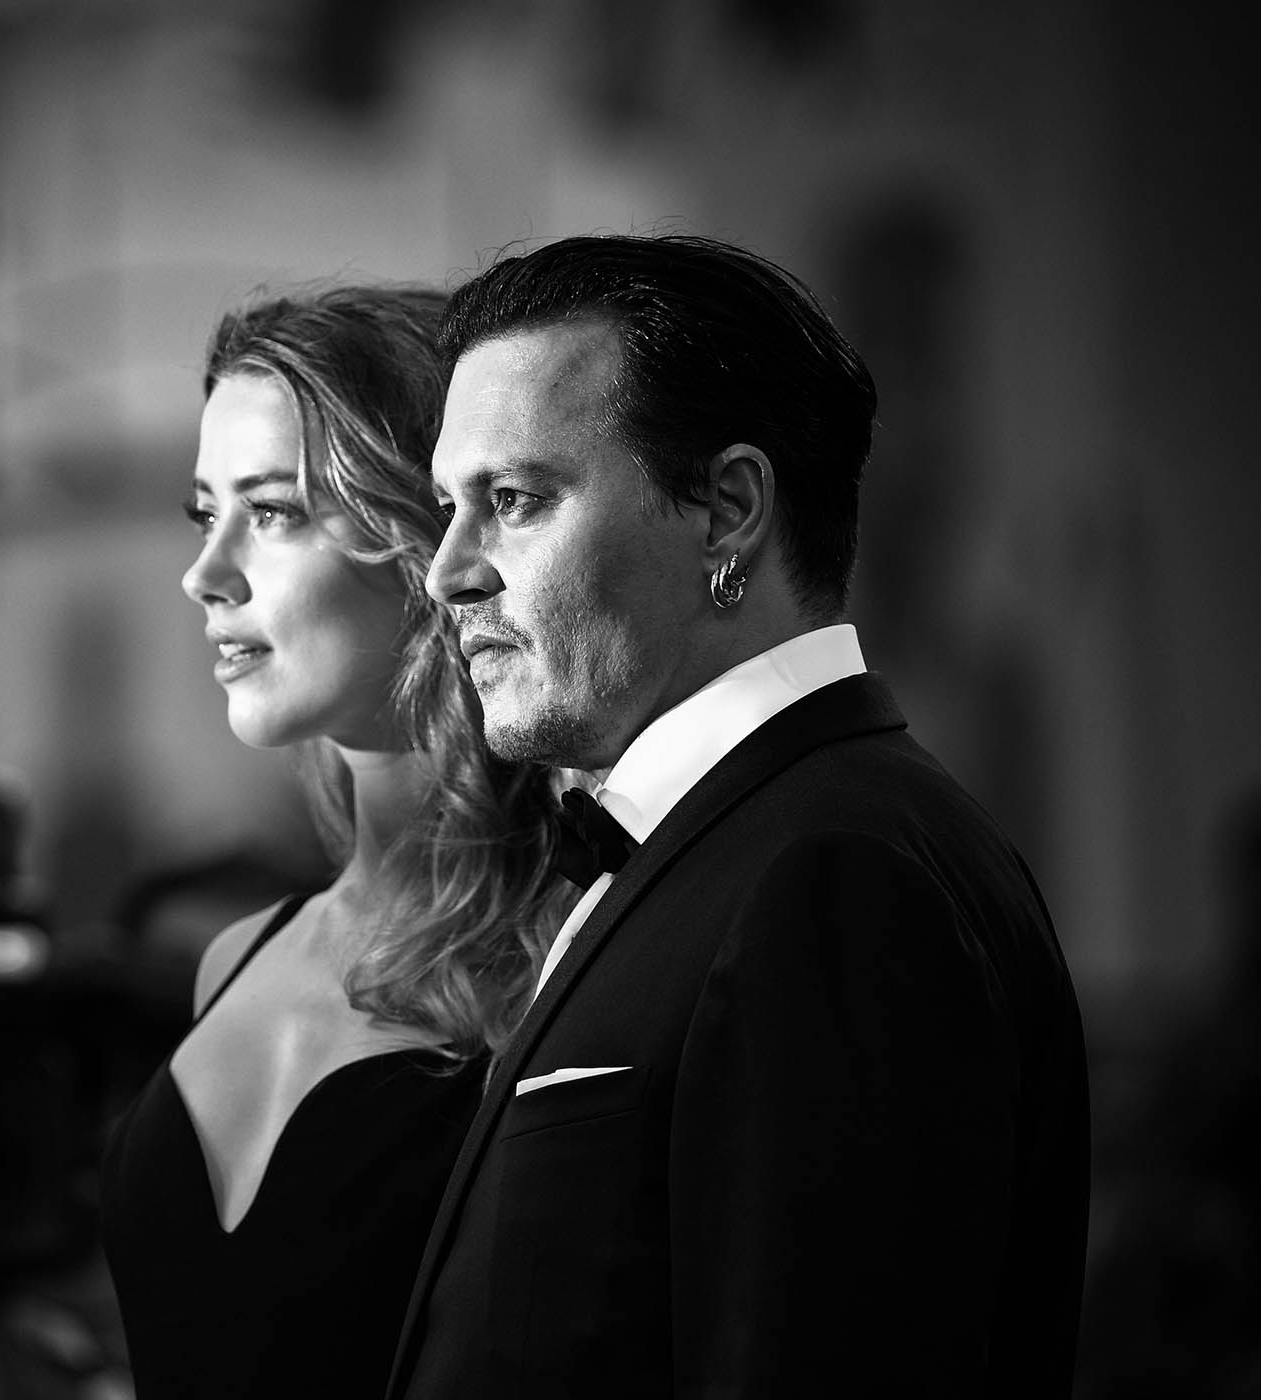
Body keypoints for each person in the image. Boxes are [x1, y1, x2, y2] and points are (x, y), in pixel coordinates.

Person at [385, 234, 1091, 1397]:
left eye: (513, 501)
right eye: (448, 508)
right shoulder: (734, 845)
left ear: (727, 509)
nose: (448, 571)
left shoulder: (838, 877)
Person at [98, 285, 573, 1399]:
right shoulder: (234, 959)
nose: (204, 573)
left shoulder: (571, 944)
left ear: (422, 535)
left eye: (270, 511)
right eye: (200, 511)